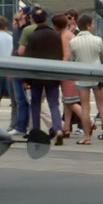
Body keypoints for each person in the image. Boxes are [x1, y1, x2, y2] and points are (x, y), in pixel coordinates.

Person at [20, 7, 64, 141]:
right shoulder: (56, 35)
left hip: (36, 75)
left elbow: (28, 58)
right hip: (52, 73)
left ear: (33, 20)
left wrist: (25, 79)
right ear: (46, 19)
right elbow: (60, 55)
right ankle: (58, 129)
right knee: (53, 104)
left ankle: (36, 131)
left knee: (35, 103)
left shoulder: (33, 36)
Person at [68, 14, 103, 145]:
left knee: (85, 107)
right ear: (89, 25)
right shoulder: (98, 40)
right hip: (97, 75)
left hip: (82, 75)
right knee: (102, 106)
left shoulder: (73, 42)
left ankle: (86, 136)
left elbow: (72, 59)